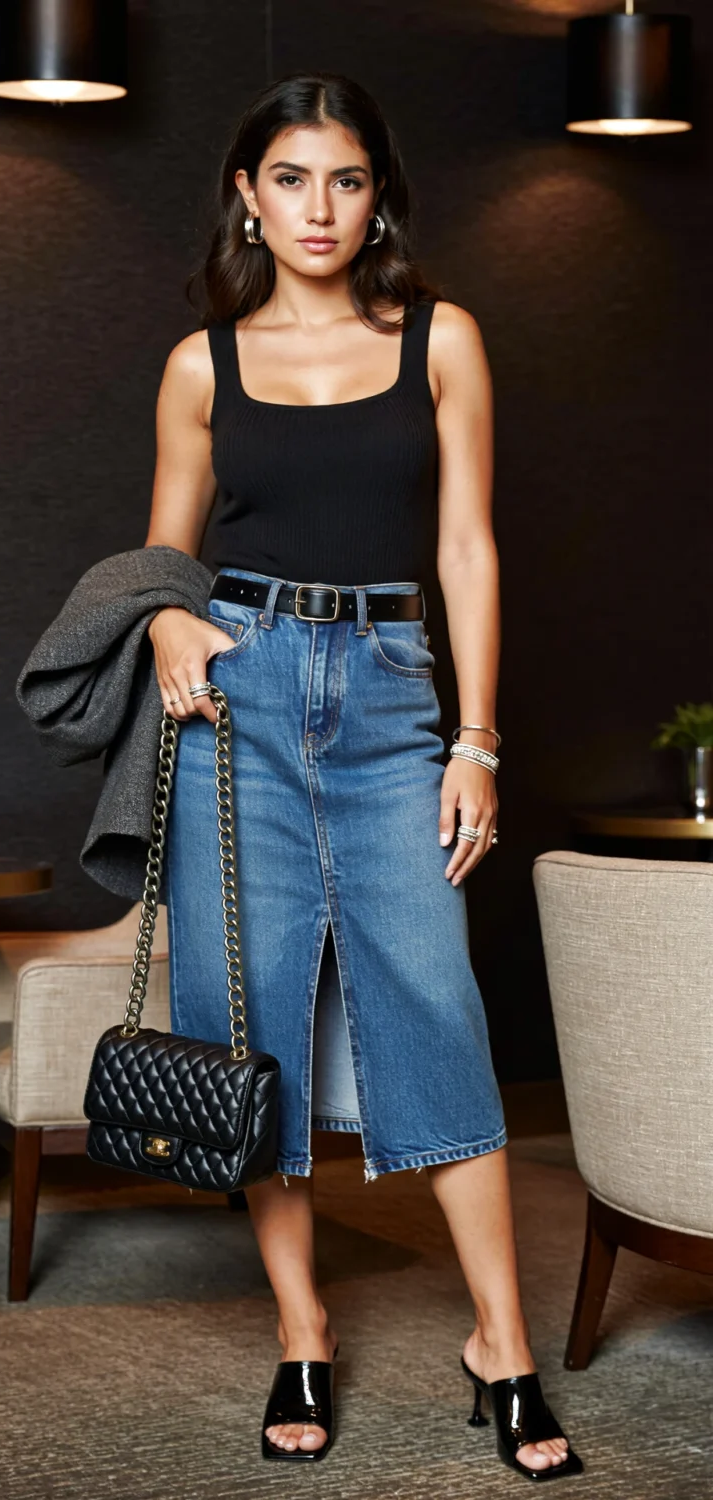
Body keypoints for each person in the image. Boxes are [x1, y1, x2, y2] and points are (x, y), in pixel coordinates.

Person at [142, 71, 582, 1479]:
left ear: (378, 194)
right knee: (254, 1027)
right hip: (243, 700)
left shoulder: (441, 338)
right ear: (247, 197)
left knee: (436, 1008)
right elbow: (162, 557)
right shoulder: (200, 364)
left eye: (345, 180)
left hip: (394, 697)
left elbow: (469, 549)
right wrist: (165, 618)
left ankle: (499, 1344)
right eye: (290, 179)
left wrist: (480, 737)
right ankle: (304, 1331)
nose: (318, 208)